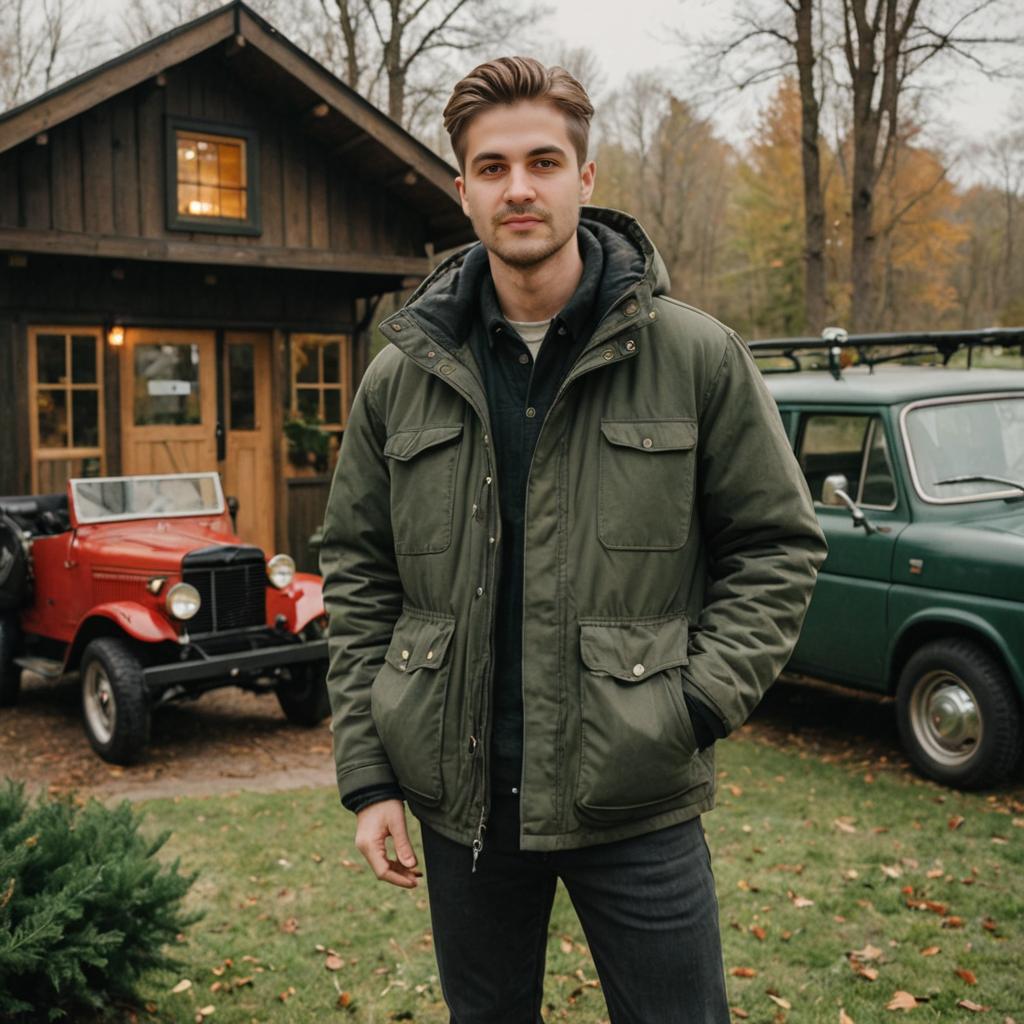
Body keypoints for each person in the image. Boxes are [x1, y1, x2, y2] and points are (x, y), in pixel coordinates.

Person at [319, 56, 827, 1024]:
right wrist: (369, 776)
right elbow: (358, 571)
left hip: (635, 794)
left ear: (584, 180)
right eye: (494, 166)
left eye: (544, 161)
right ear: (461, 189)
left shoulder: (690, 354)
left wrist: (694, 704)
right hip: (459, 800)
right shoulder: (400, 375)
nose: (521, 187)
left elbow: (776, 544)